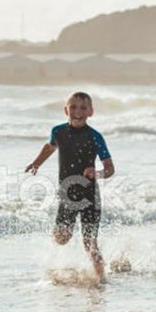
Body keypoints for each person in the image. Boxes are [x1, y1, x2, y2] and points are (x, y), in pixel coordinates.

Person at [25, 91, 114, 281]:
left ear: (91, 111)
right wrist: (36, 163)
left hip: (90, 197)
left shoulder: (95, 137)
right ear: (65, 109)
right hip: (67, 195)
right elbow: (50, 147)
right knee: (61, 238)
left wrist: (96, 173)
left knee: (89, 243)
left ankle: (101, 280)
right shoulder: (58, 132)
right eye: (73, 107)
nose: (77, 111)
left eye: (83, 107)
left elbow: (110, 169)